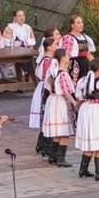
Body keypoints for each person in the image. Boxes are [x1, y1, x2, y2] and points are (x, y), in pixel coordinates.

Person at [39, 38, 78, 168]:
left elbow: (48, 87)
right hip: (60, 102)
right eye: (67, 55)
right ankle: (60, 158)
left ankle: (53, 156)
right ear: (63, 58)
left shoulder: (53, 72)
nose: (69, 57)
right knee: (64, 132)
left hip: (53, 100)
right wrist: (74, 103)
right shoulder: (62, 74)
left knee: (57, 133)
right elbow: (66, 92)